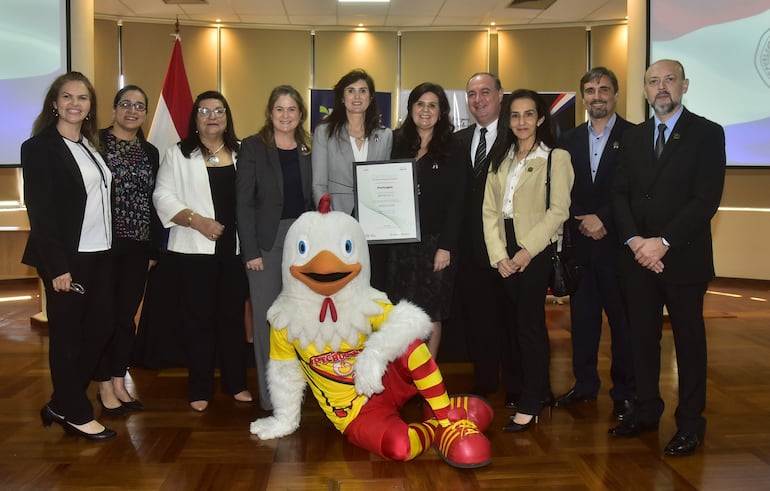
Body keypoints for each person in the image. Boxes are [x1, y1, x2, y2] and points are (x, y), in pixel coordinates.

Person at [609, 59, 726, 456]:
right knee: (641, 338)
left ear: (685, 85)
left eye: (669, 80)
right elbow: (620, 194)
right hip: (637, 259)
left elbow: (705, 199)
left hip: (683, 259)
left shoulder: (708, 133)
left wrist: (663, 242)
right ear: (644, 90)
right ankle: (645, 411)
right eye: (653, 81)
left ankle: (691, 423)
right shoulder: (634, 137)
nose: (661, 88)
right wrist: (635, 242)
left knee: (689, 344)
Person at [23, 71, 117, 440]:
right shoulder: (40, 148)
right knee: (67, 336)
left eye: (83, 98)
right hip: (67, 258)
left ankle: (63, 401)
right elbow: (41, 212)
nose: (75, 104)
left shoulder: (90, 146)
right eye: (68, 97)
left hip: (100, 253)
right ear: (55, 103)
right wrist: (57, 267)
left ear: (90, 107)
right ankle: (75, 412)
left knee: (102, 327)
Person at [153, 90, 252, 412]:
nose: (212, 116)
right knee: (198, 321)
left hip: (234, 251)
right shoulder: (177, 154)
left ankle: (236, 383)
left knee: (232, 320)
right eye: (205, 111)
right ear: (195, 118)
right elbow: (162, 197)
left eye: (219, 111)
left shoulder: (242, 153)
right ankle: (200, 388)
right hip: (194, 252)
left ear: (227, 118)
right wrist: (196, 221)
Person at [482, 89, 574, 432]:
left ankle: (532, 401)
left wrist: (525, 252)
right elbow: (489, 211)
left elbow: (559, 212)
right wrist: (499, 256)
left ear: (541, 119)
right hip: (503, 252)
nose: (522, 122)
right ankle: (529, 391)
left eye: (528, 114)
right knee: (511, 327)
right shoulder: (500, 158)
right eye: (515, 115)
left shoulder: (556, 158)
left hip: (534, 250)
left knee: (530, 327)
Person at [555, 67, 635, 421]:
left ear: (615, 94)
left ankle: (625, 392)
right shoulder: (567, 139)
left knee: (623, 324)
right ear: (583, 96)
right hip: (582, 247)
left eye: (604, 89)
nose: (597, 96)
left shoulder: (636, 136)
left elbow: (637, 191)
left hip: (619, 247)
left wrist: (604, 217)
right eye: (590, 90)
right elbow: (559, 189)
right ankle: (585, 385)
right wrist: (582, 217)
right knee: (583, 321)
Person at [236, 85, 314, 412]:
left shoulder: (310, 148)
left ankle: (299, 390)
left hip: (304, 243)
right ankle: (272, 397)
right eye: (279, 109)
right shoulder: (254, 147)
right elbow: (243, 202)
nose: (285, 116)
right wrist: (251, 250)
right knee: (269, 319)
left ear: (301, 115)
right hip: (265, 244)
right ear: (270, 113)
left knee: (301, 318)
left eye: (291, 110)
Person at [93, 85, 161, 415]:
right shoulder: (95, 142)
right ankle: (103, 385)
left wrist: (153, 250)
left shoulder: (150, 152)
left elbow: (153, 202)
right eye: (125, 104)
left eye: (139, 105)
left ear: (146, 113)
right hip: (103, 245)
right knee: (104, 317)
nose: (131, 110)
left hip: (138, 246)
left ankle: (120, 380)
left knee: (126, 318)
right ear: (114, 108)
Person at [384, 82, 465, 359]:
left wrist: (446, 246)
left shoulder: (454, 148)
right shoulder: (395, 142)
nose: (426, 110)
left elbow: (458, 202)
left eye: (432, 105)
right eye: (420, 104)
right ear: (411, 109)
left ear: (441, 111)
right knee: (401, 310)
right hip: (400, 242)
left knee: (432, 312)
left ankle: (427, 376)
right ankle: (403, 373)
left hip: (435, 244)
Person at [453, 73, 519, 406]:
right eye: (472, 94)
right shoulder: (458, 140)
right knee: (479, 319)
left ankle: (517, 385)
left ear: (499, 95)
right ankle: (485, 380)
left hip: (508, 247)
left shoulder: (517, 137)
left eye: (485, 92)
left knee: (511, 318)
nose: (478, 99)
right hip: (469, 251)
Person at [311, 69, 392, 214]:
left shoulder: (385, 135)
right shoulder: (324, 132)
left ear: (371, 97)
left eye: (362, 91)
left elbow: (383, 182)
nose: (357, 96)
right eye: (350, 91)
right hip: (336, 214)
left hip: (373, 216)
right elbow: (319, 184)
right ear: (342, 97)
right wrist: (327, 216)